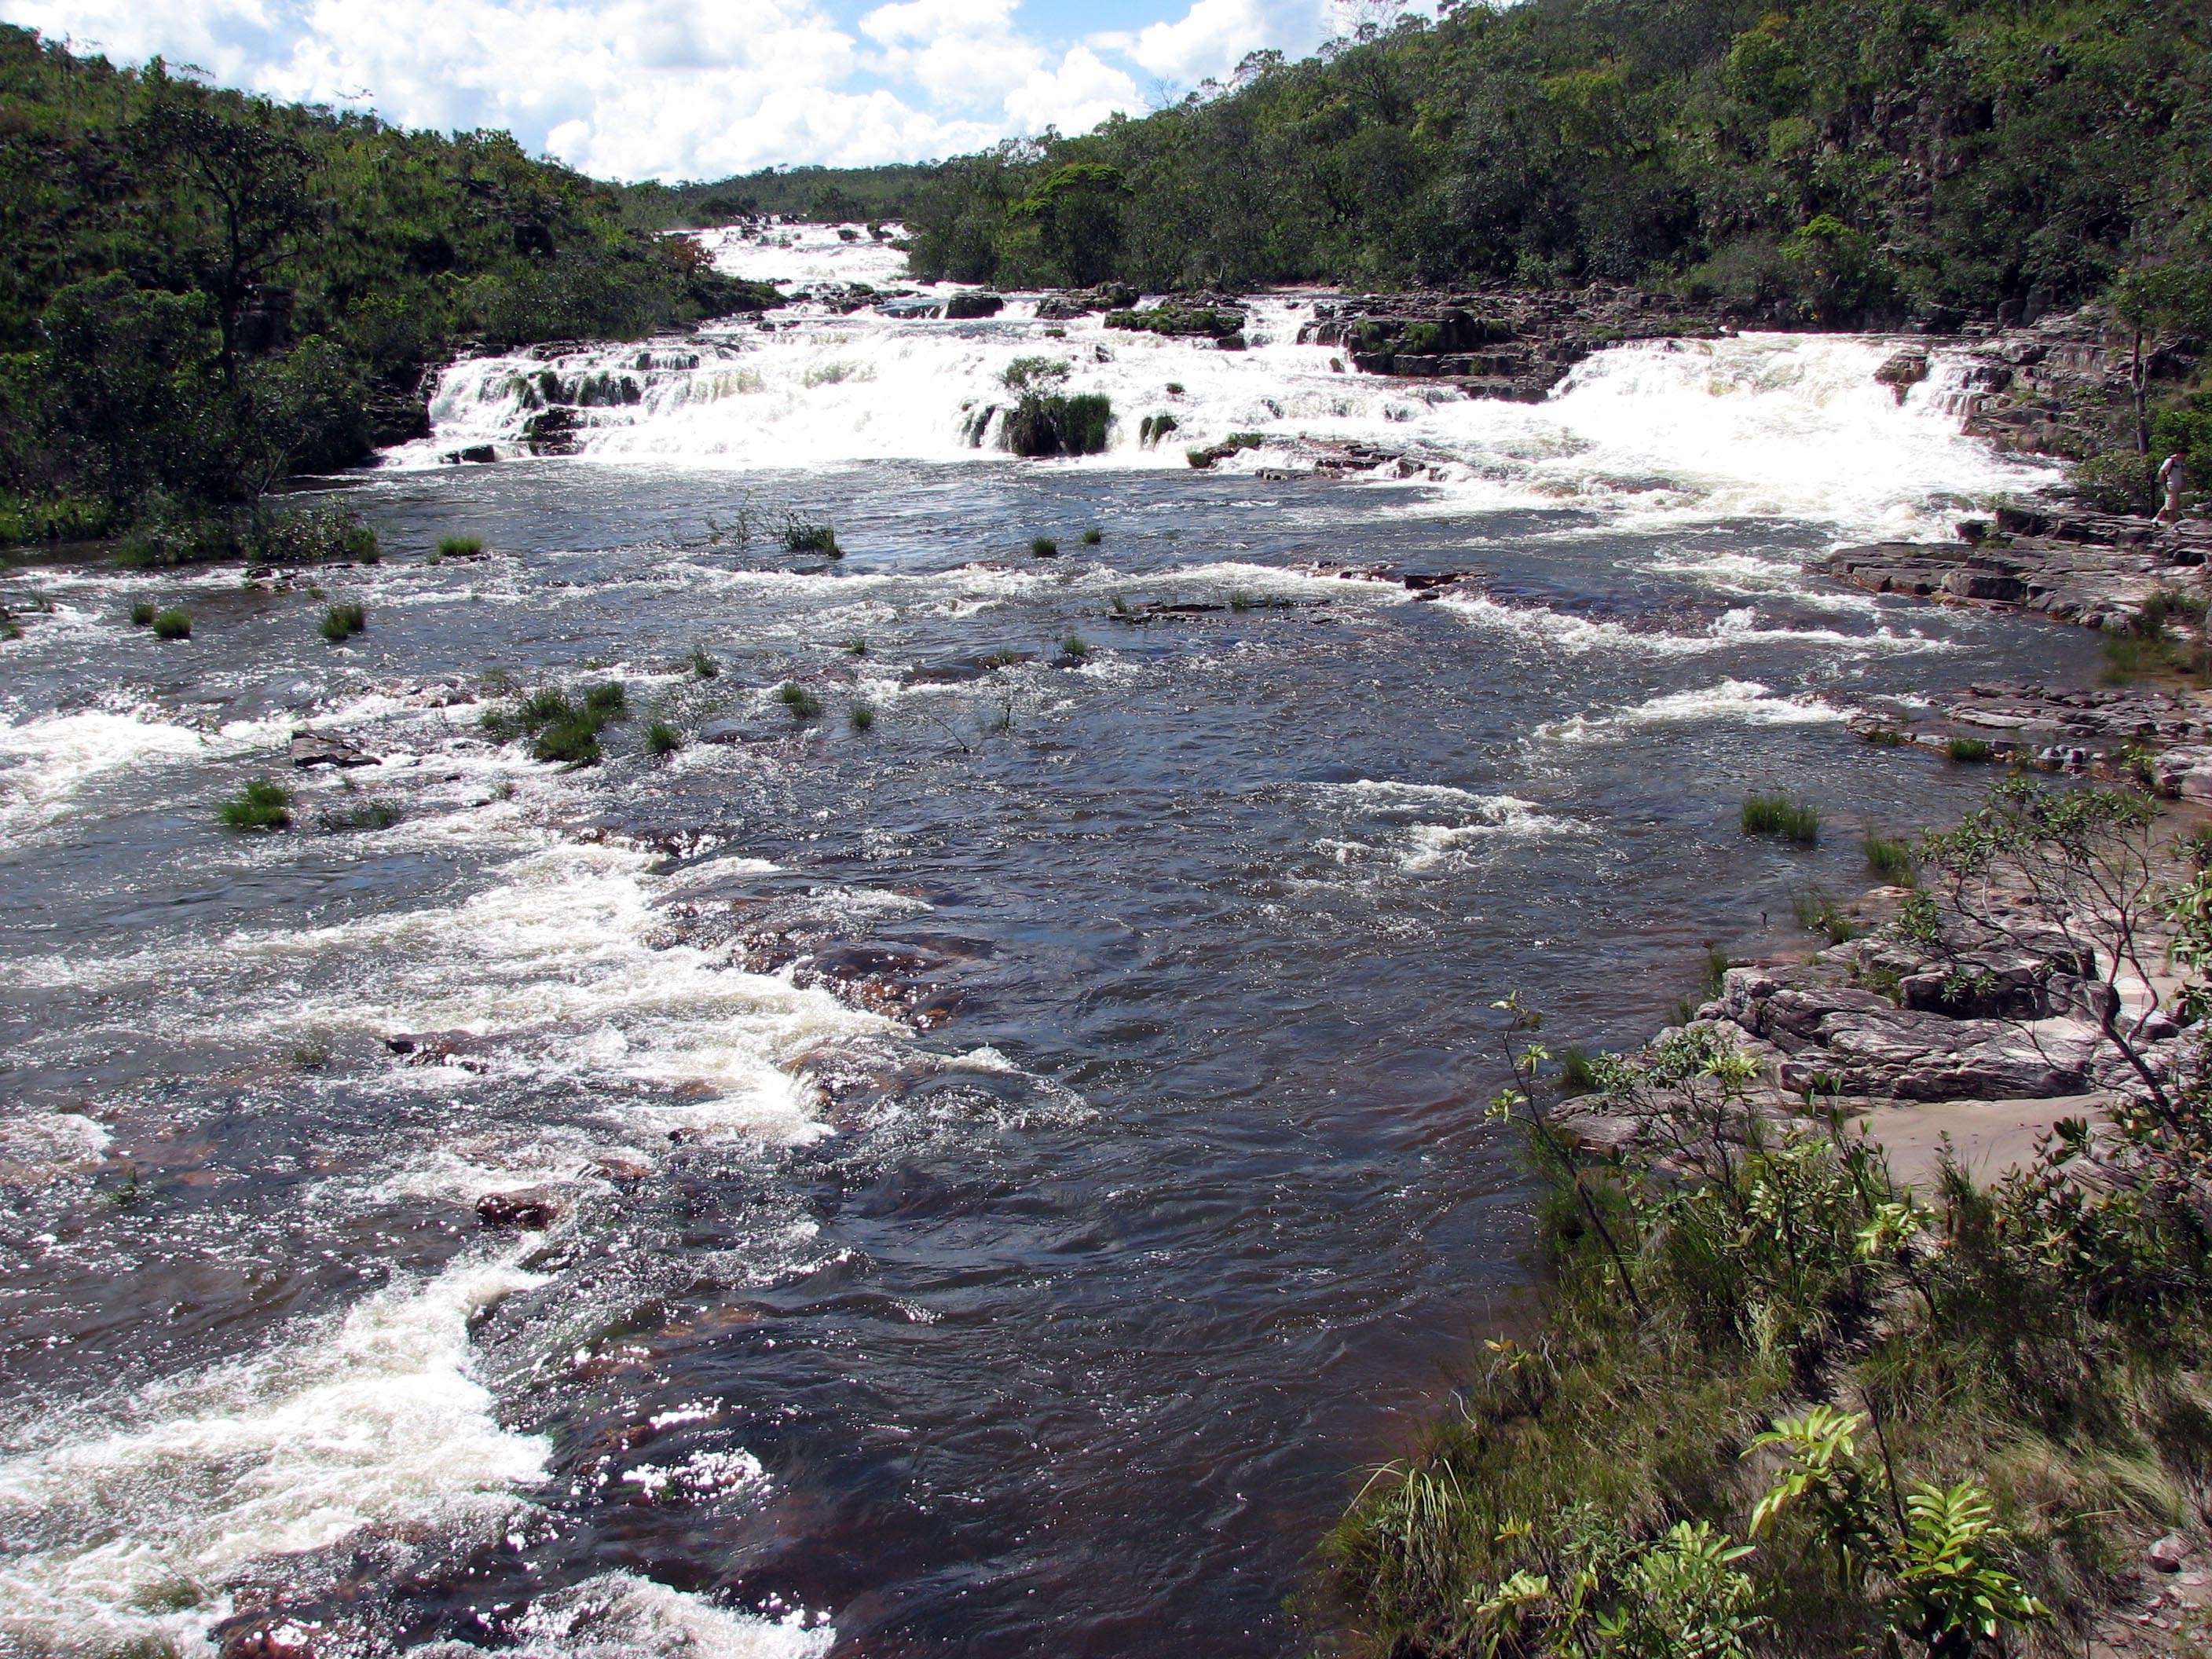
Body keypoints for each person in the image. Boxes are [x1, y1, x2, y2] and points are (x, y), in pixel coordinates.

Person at [2159, 450, 2188, 526]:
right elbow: (2162, 472)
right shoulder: (2170, 461)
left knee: (2170, 503)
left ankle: (2157, 519)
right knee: (2171, 506)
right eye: (2185, 454)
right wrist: (2164, 485)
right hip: (2170, 485)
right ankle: (2172, 524)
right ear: (2179, 454)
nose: (2185, 456)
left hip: (2177, 486)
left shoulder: (2180, 462)